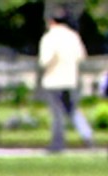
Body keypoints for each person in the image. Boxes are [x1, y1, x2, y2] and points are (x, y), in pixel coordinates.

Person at [38, 10, 94, 152]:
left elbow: (44, 61)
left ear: (51, 22)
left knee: (57, 113)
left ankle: (57, 143)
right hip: (71, 79)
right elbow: (81, 56)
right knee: (73, 110)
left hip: (53, 80)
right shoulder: (73, 36)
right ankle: (87, 136)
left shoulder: (49, 38)